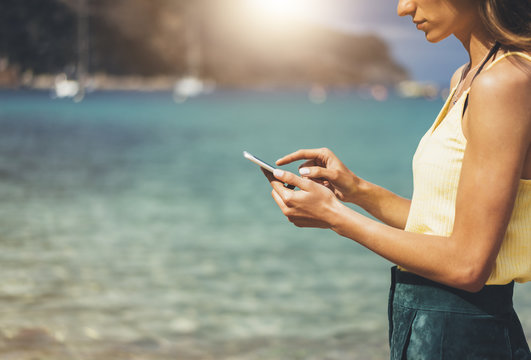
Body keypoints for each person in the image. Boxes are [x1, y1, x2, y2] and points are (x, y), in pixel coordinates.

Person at [262, 0, 531, 358]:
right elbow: (441, 228)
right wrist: (356, 191)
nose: (404, 8)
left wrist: (335, 217)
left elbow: (468, 264)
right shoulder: (468, 77)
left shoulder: (505, 81)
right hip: (431, 327)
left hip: (465, 335)